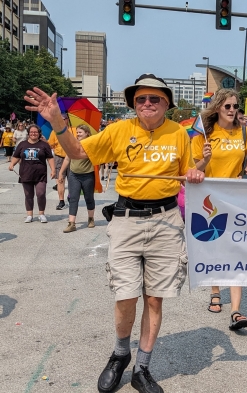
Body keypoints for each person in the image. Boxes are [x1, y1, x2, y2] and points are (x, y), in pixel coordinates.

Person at [24, 74, 204, 393]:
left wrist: (195, 171)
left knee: (154, 298)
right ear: (133, 104)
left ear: (167, 104)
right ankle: (120, 354)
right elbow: (78, 152)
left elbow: (194, 171)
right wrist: (57, 122)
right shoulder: (119, 130)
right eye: (140, 99)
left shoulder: (179, 134)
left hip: (166, 221)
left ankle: (142, 368)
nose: (146, 104)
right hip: (126, 220)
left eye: (154, 98)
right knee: (125, 295)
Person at [192, 88, 247, 331]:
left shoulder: (245, 133)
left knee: (236, 250)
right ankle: (215, 291)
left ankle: (236, 311)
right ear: (218, 107)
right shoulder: (204, 135)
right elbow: (193, 170)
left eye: (235, 106)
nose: (231, 110)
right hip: (210, 198)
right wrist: (205, 160)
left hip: (236, 198)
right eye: (227, 106)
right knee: (215, 247)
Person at [8, 124, 55, 223]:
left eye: (36, 132)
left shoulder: (44, 145)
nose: (33, 134)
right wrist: (12, 164)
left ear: (39, 134)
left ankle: (41, 214)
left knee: (41, 193)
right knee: (28, 194)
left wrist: (53, 170)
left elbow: (50, 158)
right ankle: (29, 215)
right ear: (28, 133)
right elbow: (16, 156)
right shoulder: (22, 144)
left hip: (40, 173)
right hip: (26, 173)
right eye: (31, 132)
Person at [59, 124, 97, 233]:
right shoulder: (73, 144)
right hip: (74, 175)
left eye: (80, 132)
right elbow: (67, 159)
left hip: (88, 175)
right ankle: (72, 223)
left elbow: (99, 157)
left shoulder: (91, 144)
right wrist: (61, 173)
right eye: (77, 132)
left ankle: (90, 219)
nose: (78, 134)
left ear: (87, 133)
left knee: (89, 198)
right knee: (73, 198)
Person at [48, 113, 76, 210]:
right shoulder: (55, 131)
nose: (63, 121)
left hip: (72, 158)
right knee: (60, 180)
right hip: (59, 157)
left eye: (64, 119)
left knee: (72, 180)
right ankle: (61, 201)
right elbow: (50, 144)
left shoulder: (74, 130)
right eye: (61, 119)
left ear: (68, 120)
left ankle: (71, 197)